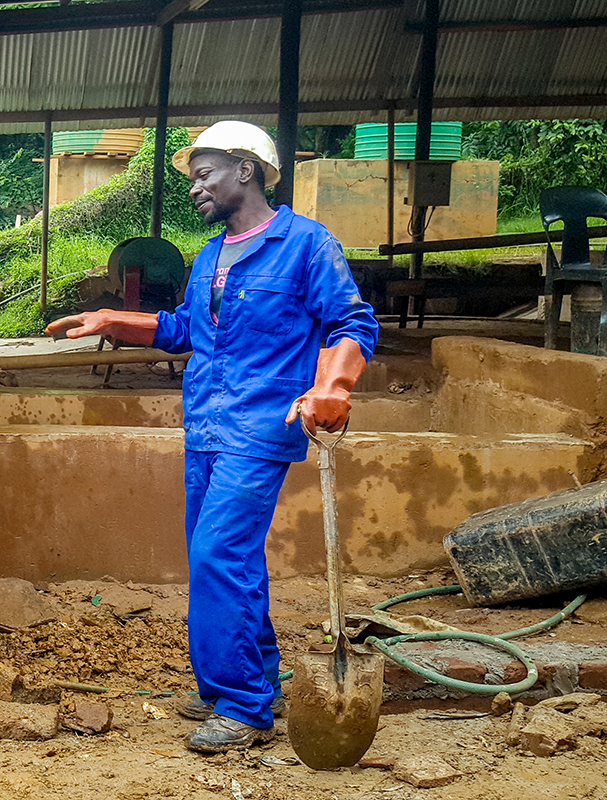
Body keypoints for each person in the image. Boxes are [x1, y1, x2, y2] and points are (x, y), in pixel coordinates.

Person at [45, 120, 379, 753]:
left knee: (217, 555)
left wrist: (333, 384)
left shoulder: (304, 244)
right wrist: (113, 319)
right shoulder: (209, 255)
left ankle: (244, 707)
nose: (195, 188)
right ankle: (252, 682)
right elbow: (185, 331)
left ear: (245, 170)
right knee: (221, 557)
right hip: (205, 424)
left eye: (204, 174)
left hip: (261, 424)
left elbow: (351, 323)